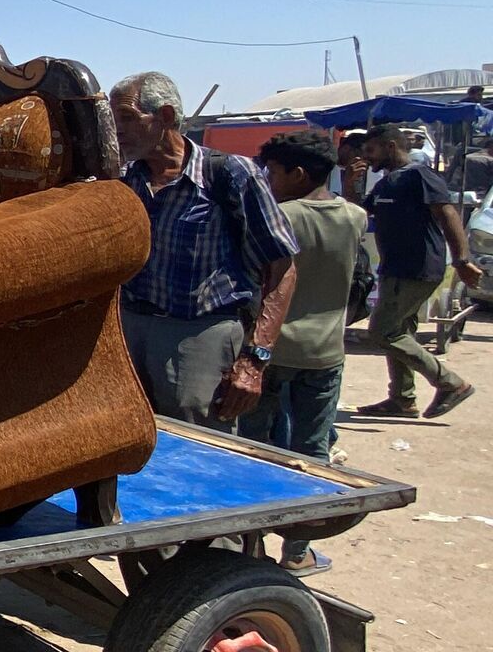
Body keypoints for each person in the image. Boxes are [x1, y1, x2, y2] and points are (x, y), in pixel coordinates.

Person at [112, 72, 299, 432]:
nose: (118, 130)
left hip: (199, 336)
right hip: (130, 330)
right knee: (128, 435)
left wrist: (254, 359)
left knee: (194, 444)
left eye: (128, 118)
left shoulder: (228, 174)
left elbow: (282, 267)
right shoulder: (124, 179)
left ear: (165, 116)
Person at [242, 131, 367, 576]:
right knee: (311, 452)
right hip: (326, 353)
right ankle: (297, 549)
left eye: (273, 172)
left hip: (272, 352)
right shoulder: (355, 216)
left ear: (297, 174)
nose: (268, 180)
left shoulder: (280, 216)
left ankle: (249, 545)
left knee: (254, 448)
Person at [355, 125, 480, 419]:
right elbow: (358, 214)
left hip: (416, 268)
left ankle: (451, 383)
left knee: (383, 332)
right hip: (394, 267)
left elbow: (447, 213)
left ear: (389, 146)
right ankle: (402, 400)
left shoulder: (418, 175)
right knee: (400, 333)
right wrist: (350, 183)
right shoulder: (386, 183)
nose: (366, 157)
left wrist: (462, 260)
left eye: (370, 150)